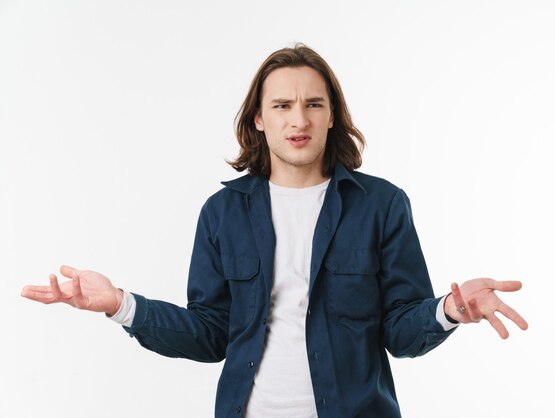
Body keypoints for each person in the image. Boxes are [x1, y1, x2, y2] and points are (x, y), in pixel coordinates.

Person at [21, 43, 528, 418]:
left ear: (332, 116)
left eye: (313, 104)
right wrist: (119, 304)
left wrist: (449, 310)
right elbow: (211, 333)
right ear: (259, 119)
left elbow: (399, 332)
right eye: (282, 106)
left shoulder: (382, 205)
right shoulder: (222, 213)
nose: (298, 119)